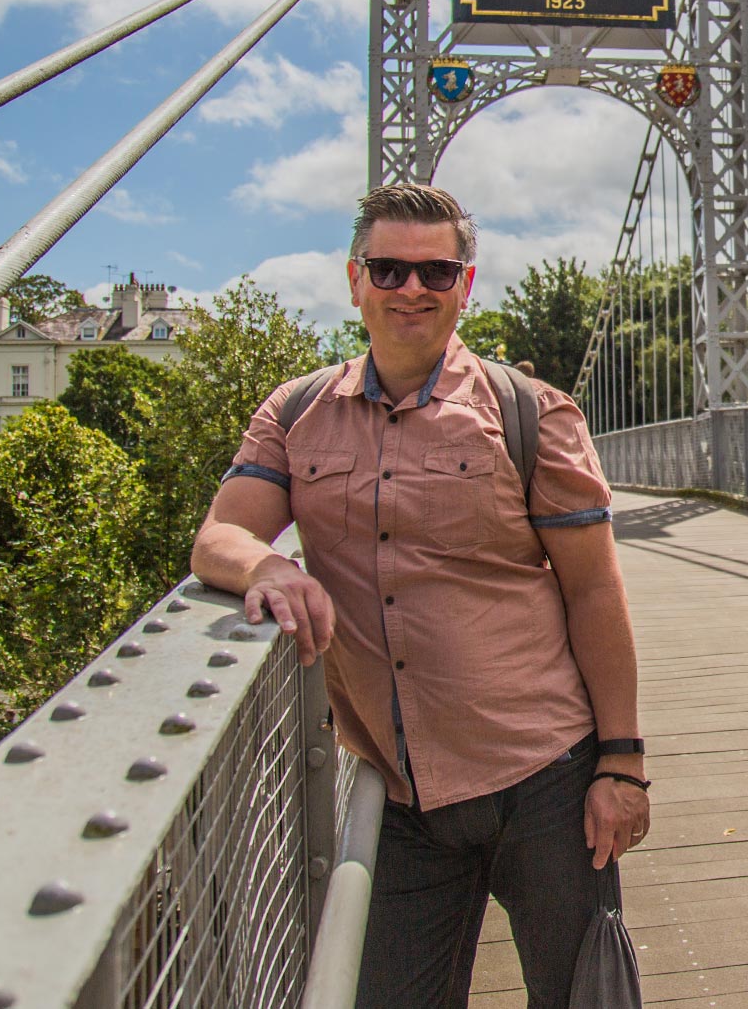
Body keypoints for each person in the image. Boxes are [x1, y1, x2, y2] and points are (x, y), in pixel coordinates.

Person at [191, 184, 648, 1008]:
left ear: (465, 284)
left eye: (436, 269)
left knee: (586, 997)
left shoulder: (532, 413)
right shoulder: (295, 412)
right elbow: (219, 536)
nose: (412, 288)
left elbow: (593, 592)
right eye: (389, 268)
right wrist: (267, 568)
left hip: (545, 778)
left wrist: (623, 763)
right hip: (400, 798)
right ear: (354, 279)